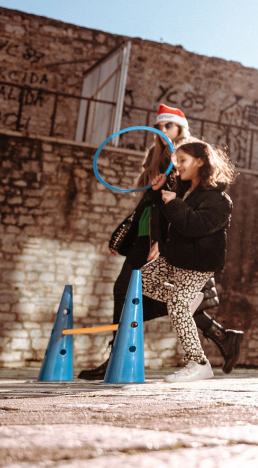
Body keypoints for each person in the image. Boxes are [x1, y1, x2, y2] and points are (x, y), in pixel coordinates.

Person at [80, 105, 235, 379]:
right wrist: (128, 232)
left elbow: (188, 219)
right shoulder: (165, 163)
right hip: (166, 244)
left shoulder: (201, 182)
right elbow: (153, 204)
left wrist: (160, 239)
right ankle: (190, 308)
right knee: (132, 287)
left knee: (159, 299)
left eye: (168, 126)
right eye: (159, 125)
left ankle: (196, 360)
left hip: (186, 254)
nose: (161, 131)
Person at [143, 139, 238, 383]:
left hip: (198, 262)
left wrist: (173, 202)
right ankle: (189, 300)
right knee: (141, 280)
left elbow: (193, 225)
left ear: (200, 161)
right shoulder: (185, 191)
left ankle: (199, 363)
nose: (178, 166)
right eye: (177, 162)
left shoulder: (218, 199)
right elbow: (165, 218)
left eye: (182, 161)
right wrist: (157, 194)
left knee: (177, 305)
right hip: (175, 257)